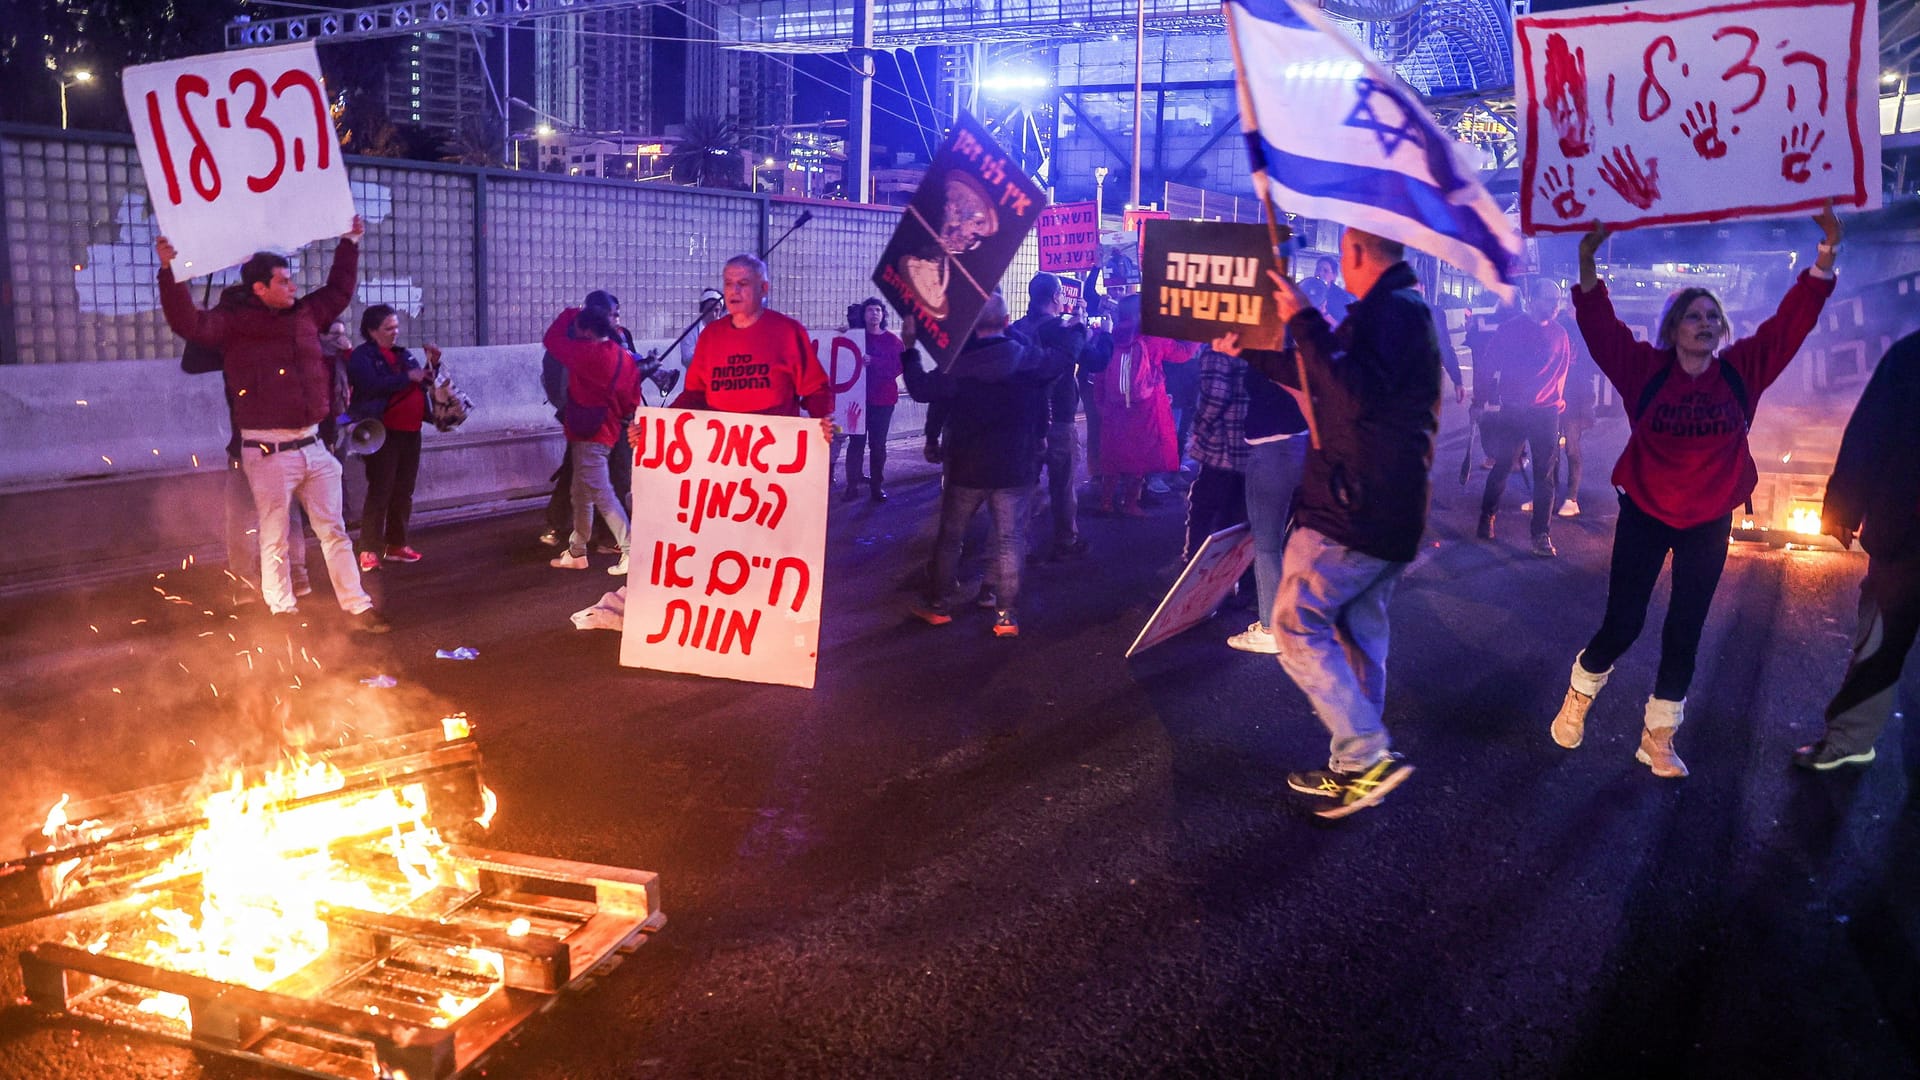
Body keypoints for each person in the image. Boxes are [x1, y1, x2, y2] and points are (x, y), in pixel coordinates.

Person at [1549, 205, 1842, 778]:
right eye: (1693, 316)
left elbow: (1791, 323)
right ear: (1673, 328)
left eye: (1712, 316)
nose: (1705, 323)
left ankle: (1658, 736)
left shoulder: (1742, 371)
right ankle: (1580, 694)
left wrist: (1826, 253)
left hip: (1708, 520)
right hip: (1645, 512)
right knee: (1624, 623)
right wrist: (1586, 260)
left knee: (1685, 627)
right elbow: (1600, 328)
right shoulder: (1644, 370)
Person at [1215, 227, 1440, 818]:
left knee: (1293, 623)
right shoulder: (1397, 313)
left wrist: (1307, 318)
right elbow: (1323, 376)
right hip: (1386, 505)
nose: (1340, 266)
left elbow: (1347, 392)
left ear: (1358, 254)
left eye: (1343, 254)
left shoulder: (1390, 314)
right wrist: (1253, 351)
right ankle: (1351, 768)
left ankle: (1366, 754)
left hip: (1354, 506)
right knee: (1360, 636)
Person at [156, 219, 389, 633]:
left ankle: (357, 606)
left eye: (292, 280)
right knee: (274, 534)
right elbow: (188, 323)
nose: (293, 287)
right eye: (284, 281)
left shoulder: (304, 313)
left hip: (313, 445)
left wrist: (350, 242)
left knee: (333, 530)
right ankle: (282, 611)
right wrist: (170, 271)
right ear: (260, 288)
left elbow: (338, 291)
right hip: (267, 450)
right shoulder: (233, 322)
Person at [903, 292, 1067, 637]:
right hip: (1014, 467)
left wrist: (909, 346)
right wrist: (1077, 327)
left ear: (971, 326)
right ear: (1007, 323)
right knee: (1008, 540)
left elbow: (919, 389)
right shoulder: (1029, 360)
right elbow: (1057, 369)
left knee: (951, 538)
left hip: (966, 467)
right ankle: (1004, 615)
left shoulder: (957, 363)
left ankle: (939, 606)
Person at [1793, 330, 1920, 770]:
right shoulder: (1911, 355)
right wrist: (1844, 506)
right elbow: (1870, 431)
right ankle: (1849, 738)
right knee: (1880, 642)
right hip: (1906, 536)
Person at [181, 289, 313, 608]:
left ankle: (289, 572)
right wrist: (200, 323)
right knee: (250, 515)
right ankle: (258, 577)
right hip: (248, 447)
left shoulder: (268, 339)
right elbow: (193, 361)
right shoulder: (235, 344)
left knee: (277, 514)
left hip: (274, 444)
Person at [1226, 325, 1311, 656]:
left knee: (1266, 545)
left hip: (1271, 454)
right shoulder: (1301, 355)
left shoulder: (1270, 359)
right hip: (1300, 449)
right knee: (1293, 539)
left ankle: (1270, 629)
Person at [1477, 277, 1574, 557]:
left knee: (1545, 475)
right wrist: (1479, 401)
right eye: (1549, 299)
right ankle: (1487, 516)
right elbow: (1487, 366)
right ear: (1533, 299)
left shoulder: (1560, 335)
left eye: (1557, 300)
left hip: (1546, 413)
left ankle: (1541, 535)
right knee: (1504, 465)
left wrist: (1558, 401)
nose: (1555, 305)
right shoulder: (1510, 330)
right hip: (1514, 410)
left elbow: (1563, 370)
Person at [673, 254, 832, 420]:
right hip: (722, 442)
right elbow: (694, 395)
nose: (734, 291)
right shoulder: (710, 336)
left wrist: (823, 419)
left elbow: (816, 390)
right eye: (728, 283)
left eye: (743, 283)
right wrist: (659, 421)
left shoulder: (788, 333)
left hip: (776, 442)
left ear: (763, 288)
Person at [1011, 272, 1101, 560]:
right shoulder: (1064, 330)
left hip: (1024, 419)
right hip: (1058, 419)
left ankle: (1017, 543)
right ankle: (1066, 539)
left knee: (1024, 484)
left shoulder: (1016, 328)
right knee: (1062, 484)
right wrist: (1101, 333)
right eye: (1061, 293)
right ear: (1054, 297)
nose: (1063, 298)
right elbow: (1096, 360)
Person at [544, 305, 639, 575]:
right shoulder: (624, 357)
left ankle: (630, 550)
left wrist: (569, 312)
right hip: (609, 430)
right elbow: (632, 398)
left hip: (587, 433)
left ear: (586, 329)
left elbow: (551, 340)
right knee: (580, 493)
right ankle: (577, 550)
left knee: (601, 493)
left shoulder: (584, 353)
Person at [346, 304, 438, 571]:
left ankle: (396, 543)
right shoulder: (362, 357)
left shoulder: (403, 355)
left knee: (404, 490)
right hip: (382, 432)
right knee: (381, 489)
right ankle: (368, 548)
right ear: (372, 331)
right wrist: (406, 377)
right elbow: (370, 386)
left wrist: (432, 364)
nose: (395, 333)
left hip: (410, 431)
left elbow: (422, 382)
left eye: (396, 327)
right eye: (389, 328)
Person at [1084, 296, 1183, 516]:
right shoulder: (1154, 339)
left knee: (1112, 455)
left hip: (1113, 406)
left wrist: (1100, 402)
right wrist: (1197, 336)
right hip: (1145, 406)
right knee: (1139, 457)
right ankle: (1130, 504)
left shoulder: (1108, 337)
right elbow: (1182, 354)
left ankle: (1107, 502)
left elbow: (1099, 372)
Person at [1183, 345, 1252, 565]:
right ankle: (1230, 579)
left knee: (1204, 511)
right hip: (1251, 443)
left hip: (1221, 444)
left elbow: (1215, 396)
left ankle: (1194, 573)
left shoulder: (1219, 346)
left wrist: (1199, 428)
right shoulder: (1262, 340)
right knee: (1236, 514)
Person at [845, 297, 904, 501]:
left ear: (883, 314)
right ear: (864, 314)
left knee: (878, 445)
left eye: (878, 310)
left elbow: (898, 367)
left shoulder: (893, 342)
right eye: (870, 310)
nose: (874, 314)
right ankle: (851, 486)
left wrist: (874, 362)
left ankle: (876, 486)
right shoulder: (854, 339)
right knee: (856, 444)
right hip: (857, 401)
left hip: (883, 401)